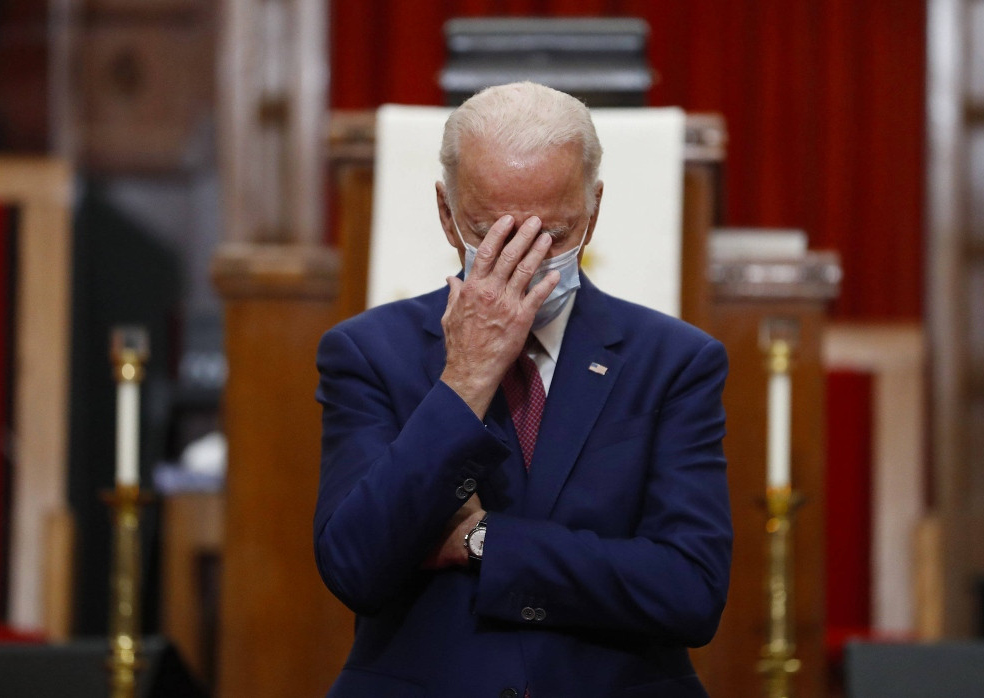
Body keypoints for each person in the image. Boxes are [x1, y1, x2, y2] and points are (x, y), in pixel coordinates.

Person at [313, 81, 731, 698]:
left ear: (594, 209)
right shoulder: (370, 353)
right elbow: (355, 565)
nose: (525, 263)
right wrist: (467, 378)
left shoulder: (673, 361)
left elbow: (690, 589)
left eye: (554, 236)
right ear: (445, 211)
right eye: (494, 234)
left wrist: (488, 542)